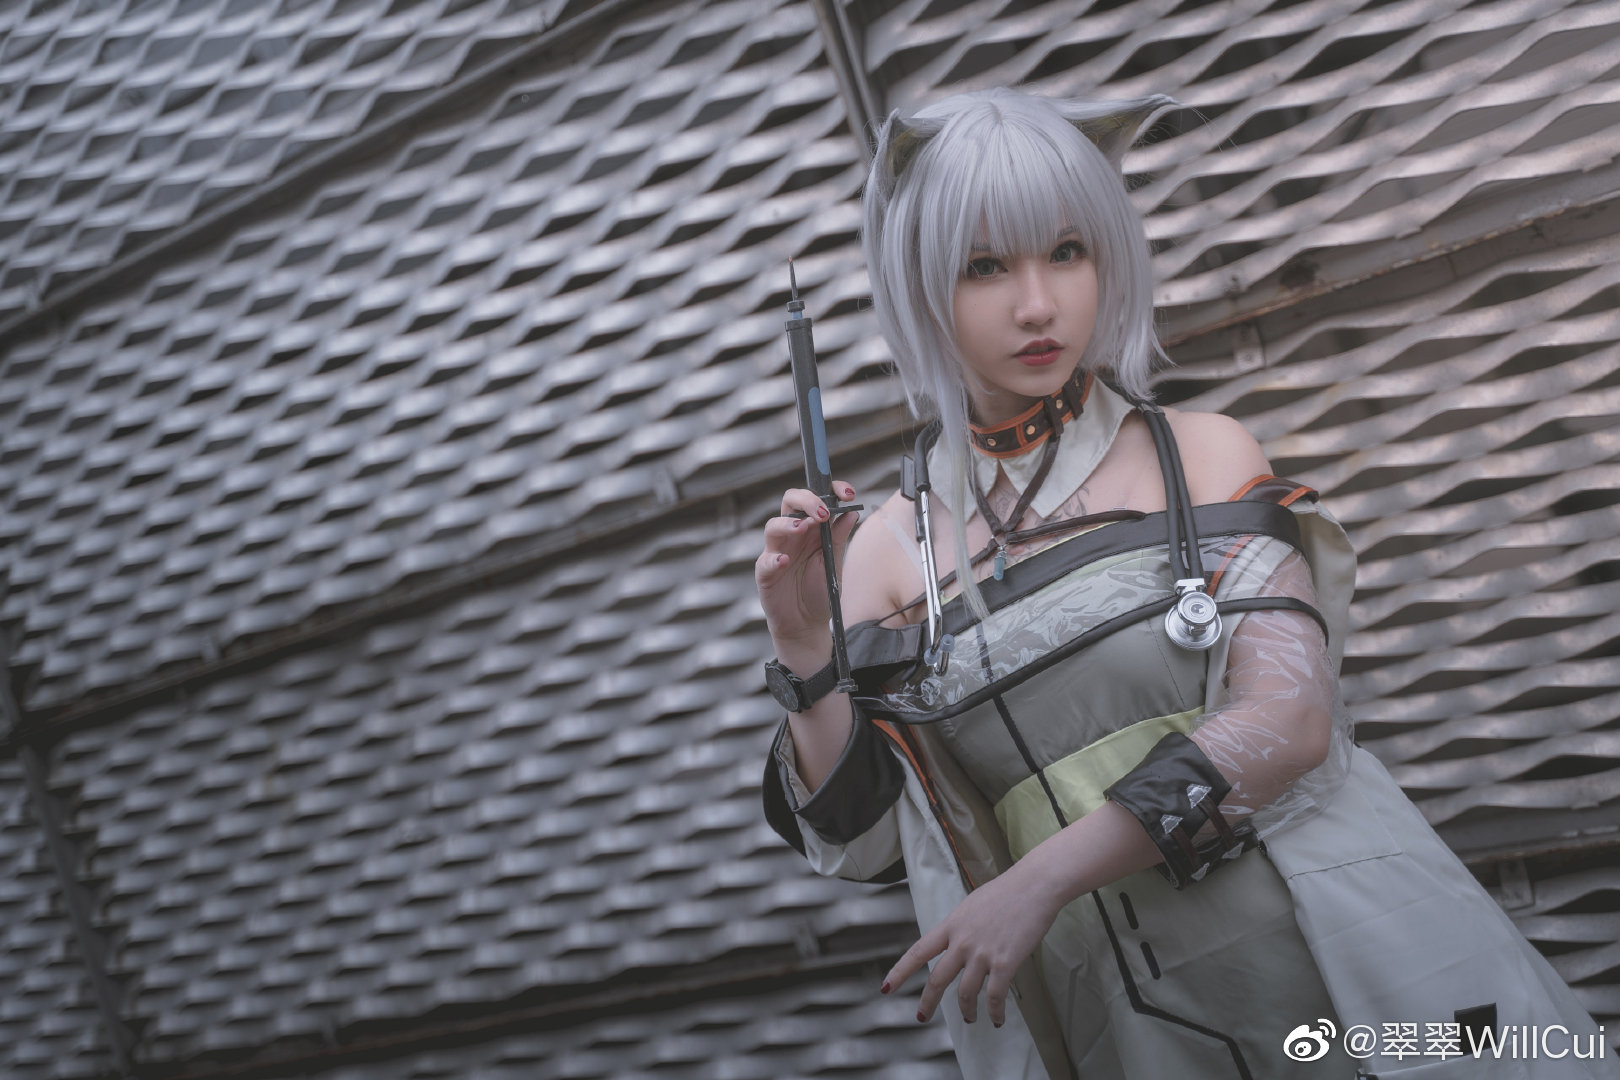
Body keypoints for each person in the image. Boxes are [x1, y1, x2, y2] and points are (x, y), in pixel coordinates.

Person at [756, 87, 1612, 1079]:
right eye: (984, 266)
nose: (1038, 304)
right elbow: (868, 842)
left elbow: (1289, 720)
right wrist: (806, 650)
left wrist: (1038, 880)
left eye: (1067, 252)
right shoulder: (883, 553)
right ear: (916, 283)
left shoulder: (1201, 454)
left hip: (1368, 952)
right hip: (1128, 1019)